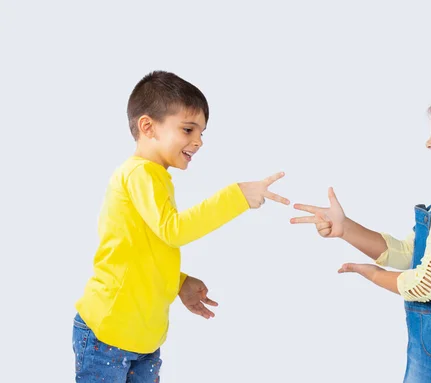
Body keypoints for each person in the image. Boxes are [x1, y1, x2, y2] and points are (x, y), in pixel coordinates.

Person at [72, 70, 289, 382]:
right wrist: (236, 196)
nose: (198, 142)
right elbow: (174, 230)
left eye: (201, 133)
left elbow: (145, 250)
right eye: (188, 129)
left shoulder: (155, 177)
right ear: (148, 127)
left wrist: (179, 282)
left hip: (143, 338)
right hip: (108, 334)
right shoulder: (139, 174)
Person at [291, 80, 431, 382]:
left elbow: (425, 286)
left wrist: (371, 274)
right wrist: (345, 229)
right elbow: (409, 253)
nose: (428, 143)